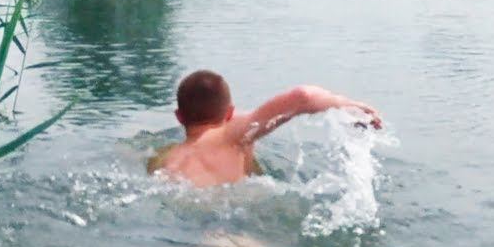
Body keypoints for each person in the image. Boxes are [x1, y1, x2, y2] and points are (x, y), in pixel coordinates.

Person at [148, 70, 382, 187]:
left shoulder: (163, 159)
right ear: (229, 113)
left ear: (179, 117)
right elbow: (302, 96)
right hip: (230, 226)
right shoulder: (232, 135)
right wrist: (347, 105)